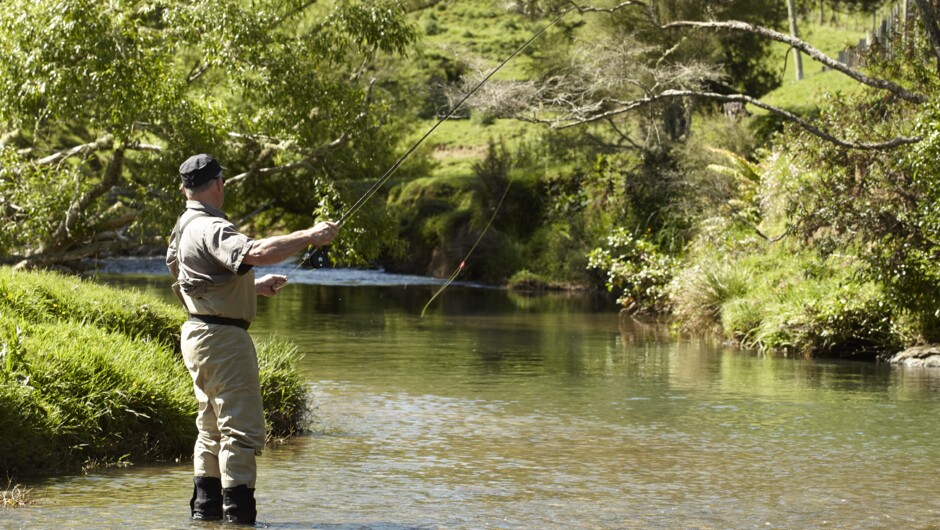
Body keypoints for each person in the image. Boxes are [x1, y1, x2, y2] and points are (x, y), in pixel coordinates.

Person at [166, 153, 338, 524]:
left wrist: (251, 288)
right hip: (224, 340)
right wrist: (310, 236)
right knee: (240, 433)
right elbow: (256, 252)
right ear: (218, 184)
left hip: (198, 332)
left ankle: (205, 515)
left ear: (184, 188)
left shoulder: (183, 225)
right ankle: (238, 519)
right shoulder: (210, 227)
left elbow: (189, 282)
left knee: (210, 428)